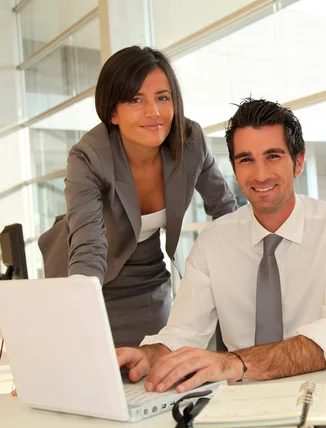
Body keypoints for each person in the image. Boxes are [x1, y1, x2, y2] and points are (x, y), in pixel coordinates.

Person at [116, 98, 326, 393]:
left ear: (298, 161)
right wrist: (148, 355)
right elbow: (184, 333)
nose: (260, 174)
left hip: (325, 398)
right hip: (239, 404)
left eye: (273, 156)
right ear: (235, 169)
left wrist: (237, 362)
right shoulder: (213, 242)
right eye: (246, 159)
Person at [38, 46, 237, 347]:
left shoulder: (190, 140)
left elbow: (226, 212)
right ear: (113, 112)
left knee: (153, 376)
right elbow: (89, 247)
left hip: (146, 277)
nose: (153, 112)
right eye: (135, 100)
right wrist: (71, 320)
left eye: (162, 97)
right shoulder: (89, 157)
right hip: (85, 277)